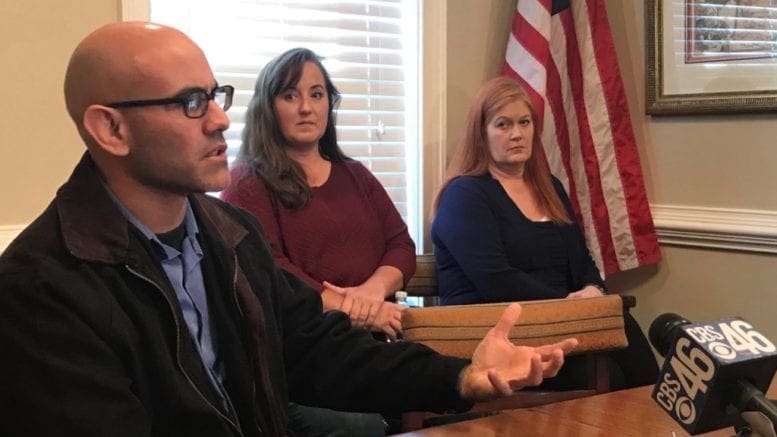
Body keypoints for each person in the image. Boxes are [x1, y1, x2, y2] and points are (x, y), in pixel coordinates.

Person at [0, 22, 579, 437]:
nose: (221, 117)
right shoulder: (40, 286)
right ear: (111, 129)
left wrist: (461, 376)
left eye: (217, 96)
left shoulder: (231, 235)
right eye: (192, 102)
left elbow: (317, 350)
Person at [219, 47, 417, 436]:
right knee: (362, 426)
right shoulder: (245, 184)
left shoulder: (356, 175)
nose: (306, 107)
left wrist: (373, 292)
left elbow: (401, 245)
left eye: (317, 93)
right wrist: (353, 308)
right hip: (302, 357)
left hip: (375, 341)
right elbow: (272, 270)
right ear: (268, 106)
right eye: (290, 95)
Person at [431, 76, 658, 390]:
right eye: (503, 125)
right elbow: (496, 280)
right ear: (481, 134)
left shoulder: (550, 186)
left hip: (561, 322)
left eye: (524, 123)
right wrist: (569, 308)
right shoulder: (465, 195)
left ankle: (659, 414)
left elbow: (582, 258)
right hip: (497, 334)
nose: (516, 134)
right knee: (614, 373)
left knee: (618, 318)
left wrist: (593, 289)